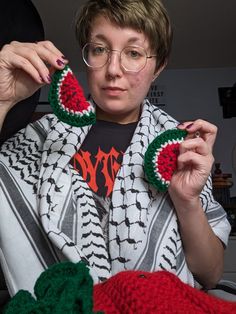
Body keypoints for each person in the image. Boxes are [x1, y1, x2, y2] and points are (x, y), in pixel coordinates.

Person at [0, 0, 231, 298]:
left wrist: (186, 201)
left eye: (133, 53)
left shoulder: (180, 150)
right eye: (99, 49)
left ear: (158, 66)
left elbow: (210, 274)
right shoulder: (42, 138)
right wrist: (3, 101)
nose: (112, 70)